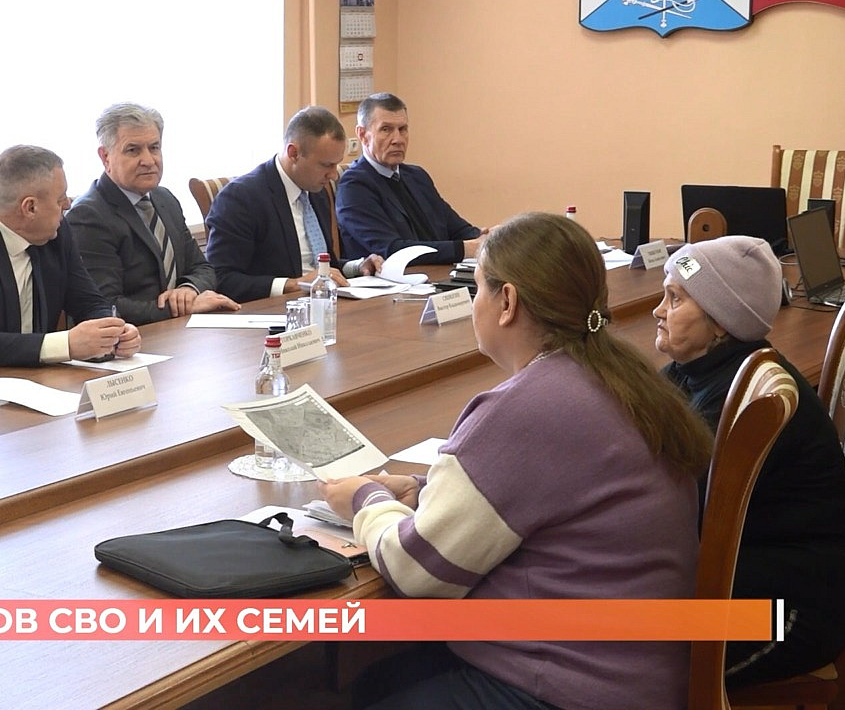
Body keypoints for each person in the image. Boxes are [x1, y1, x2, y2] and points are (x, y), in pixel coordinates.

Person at [322, 212, 713, 709]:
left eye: (477, 287)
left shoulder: (529, 406)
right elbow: (548, 495)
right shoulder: (620, 375)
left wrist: (365, 499)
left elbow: (416, 571)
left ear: (507, 302)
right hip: (633, 668)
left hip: (575, 686)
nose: (474, 302)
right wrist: (424, 493)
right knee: (382, 681)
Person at [655, 236, 845, 688]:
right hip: (739, 580)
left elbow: (665, 517)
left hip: (788, 613)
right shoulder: (698, 370)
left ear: (720, 323)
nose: (658, 311)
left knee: (595, 648)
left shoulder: (738, 403)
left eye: (675, 299)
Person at [0, 145, 140, 367]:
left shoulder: (55, 233)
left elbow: (88, 301)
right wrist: (64, 345)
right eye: (60, 199)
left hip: (45, 377)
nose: (68, 205)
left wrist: (114, 331)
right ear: (30, 208)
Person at [67, 103, 239, 325]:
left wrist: (189, 289)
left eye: (154, 147)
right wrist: (179, 309)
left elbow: (202, 267)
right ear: (105, 156)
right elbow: (106, 306)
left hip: (182, 331)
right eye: (133, 150)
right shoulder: (88, 216)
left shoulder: (164, 198)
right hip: (133, 338)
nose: (148, 160)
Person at [204, 105, 384, 303]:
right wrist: (294, 284)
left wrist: (357, 267)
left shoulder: (315, 191)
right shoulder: (241, 198)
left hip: (322, 305)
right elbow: (222, 278)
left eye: (336, 164)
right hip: (272, 311)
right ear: (293, 153)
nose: (333, 175)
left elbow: (322, 267)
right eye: (326, 165)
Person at [336, 92, 483, 266]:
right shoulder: (354, 186)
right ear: (362, 134)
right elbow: (392, 250)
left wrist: (486, 239)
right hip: (390, 280)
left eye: (402, 129)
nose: (397, 139)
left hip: (438, 275)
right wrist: (466, 249)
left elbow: (458, 229)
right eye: (386, 129)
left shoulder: (417, 176)